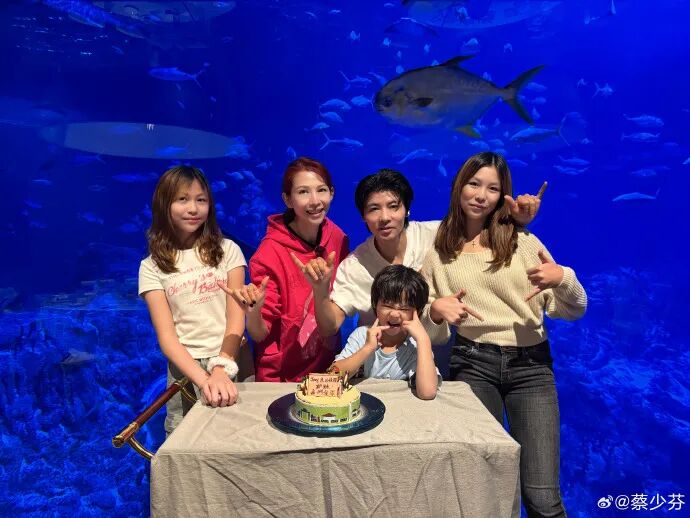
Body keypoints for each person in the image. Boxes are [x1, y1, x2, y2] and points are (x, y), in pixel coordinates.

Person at [420, 152, 587, 517]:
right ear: (459, 186)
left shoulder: (522, 242)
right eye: (474, 184)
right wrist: (435, 310)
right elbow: (425, 325)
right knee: (486, 488)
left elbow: (575, 309)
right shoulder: (439, 253)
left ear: (502, 196)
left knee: (542, 498)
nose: (481, 195)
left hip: (532, 368)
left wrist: (564, 277)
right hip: (472, 364)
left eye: (492, 188)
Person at [293, 167, 545, 337]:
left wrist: (518, 221)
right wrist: (320, 290)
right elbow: (329, 327)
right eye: (374, 209)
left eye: (393, 206)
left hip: (437, 351)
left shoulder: (437, 235)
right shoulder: (355, 266)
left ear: (407, 210)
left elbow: (482, 229)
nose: (385, 217)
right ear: (363, 217)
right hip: (381, 362)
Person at [138, 165, 247, 435]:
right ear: (164, 204)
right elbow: (167, 337)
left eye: (201, 200)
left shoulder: (228, 251)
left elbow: (236, 318)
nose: (193, 208)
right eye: (182, 199)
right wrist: (203, 379)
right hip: (185, 368)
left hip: (231, 357)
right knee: (184, 439)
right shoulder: (151, 267)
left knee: (239, 436)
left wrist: (221, 368)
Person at [219, 157, 349, 382]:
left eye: (321, 190)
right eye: (303, 192)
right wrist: (254, 312)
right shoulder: (268, 255)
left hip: (328, 369)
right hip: (282, 378)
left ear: (332, 193)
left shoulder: (338, 238)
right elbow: (260, 334)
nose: (315, 201)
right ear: (287, 199)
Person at [333, 265, 439, 400]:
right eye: (387, 305)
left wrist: (424, 340)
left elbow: (427, 393)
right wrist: (368, 348)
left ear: (417, 312)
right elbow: (332, 377)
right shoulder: (362, 335)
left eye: (404, 308)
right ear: (375, 305)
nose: (394, 314)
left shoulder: (417, 345)